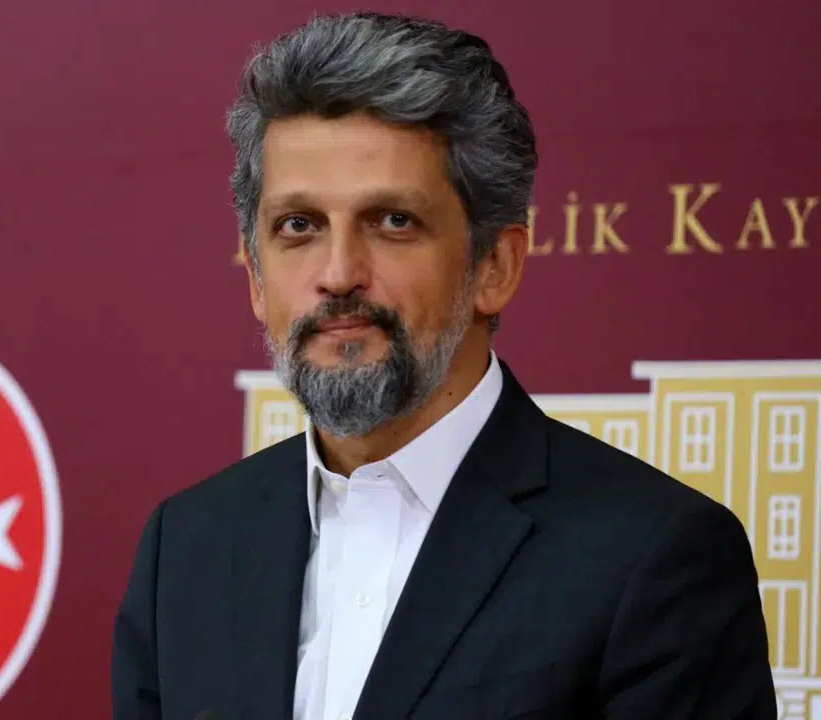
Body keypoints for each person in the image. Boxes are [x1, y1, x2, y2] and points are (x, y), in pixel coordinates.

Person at [110, 11, 777, 720]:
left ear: (495, 266)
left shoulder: (653, 555)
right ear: (255, 278)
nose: (337, 273)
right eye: (298, 226)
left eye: (393, 222)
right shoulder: (185, 548)